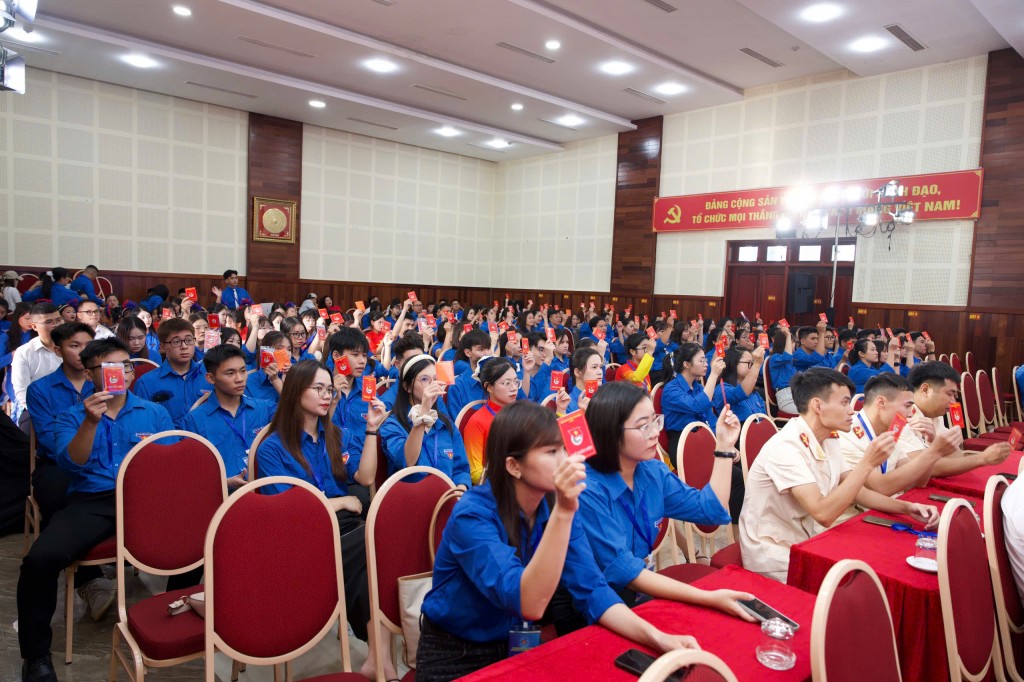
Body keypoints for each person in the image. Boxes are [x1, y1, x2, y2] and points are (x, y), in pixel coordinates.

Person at [417, 401, 718, 680]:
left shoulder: (554, 505)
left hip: (517, 640)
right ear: (513, 466)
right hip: (458, 652)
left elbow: (593, 590)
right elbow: (529, 603)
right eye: (551, 453)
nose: (566, 462)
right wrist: (564, 509)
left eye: (564, 449)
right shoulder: (472, 515)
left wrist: (658, 638)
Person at [19, 338, 174, 682]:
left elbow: (172, 463)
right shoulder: (69, 416)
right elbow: (71, 464)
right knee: (39, 560)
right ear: (91, 376)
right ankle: (36, 657)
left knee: (208, 533)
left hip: (148, 498)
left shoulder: (156, 413)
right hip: (96, 501)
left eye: (127, 365)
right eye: (111, 367)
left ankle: (177, 614)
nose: (123, 372)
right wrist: (90, 422)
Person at [254, 360, 391, 679]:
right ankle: (385, 657)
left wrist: (372, 429)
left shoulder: (335, 435)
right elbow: (288, 510)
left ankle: (378, 660)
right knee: (376, 541)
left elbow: (366, 475)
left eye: (329, 388)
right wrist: (340, 500)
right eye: (318, 388)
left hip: (345, 531)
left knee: (369, 555)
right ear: (294, 391)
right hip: (300, 535)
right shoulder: (272, 447)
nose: (327, 395)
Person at [739, 367, 939, 582]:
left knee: (882, 561)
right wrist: (867, 463)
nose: (852, 410)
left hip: (807, 537)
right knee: (863, 581)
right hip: (773, 551)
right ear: (818, 406)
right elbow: (823, 514)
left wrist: (908, 508)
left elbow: (858, 492)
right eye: (844, 402)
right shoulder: (786, 446)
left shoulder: (829, 438)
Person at [574, 382, 752, 621]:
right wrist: (708, 597)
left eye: (655, 421)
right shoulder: (587, 489)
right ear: (610, 433)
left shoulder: (651, 471)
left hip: (636, 591)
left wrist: (723, 447)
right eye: (643, 426)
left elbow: (711, 510)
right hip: (591, 608)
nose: (655, 433)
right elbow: (624, 570)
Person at [835, 373, 960, 521]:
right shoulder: (847, 434)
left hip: (885, 509)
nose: (910, 413)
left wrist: (931, 446)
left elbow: (918, 482)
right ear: (881, 403)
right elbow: (880, 488)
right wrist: (933, 453)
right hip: (855, 516)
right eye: (907, 406)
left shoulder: (893, 427)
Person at [180, 345, 272, 489]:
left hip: (263, 493)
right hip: (220, 498)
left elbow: (297, 415)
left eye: (243, 371)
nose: (239, 379)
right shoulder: (194, 420)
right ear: (210, 378)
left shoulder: (263, 408)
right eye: (230, 373)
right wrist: (223, 483)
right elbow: (189, 474)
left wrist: (279, 380)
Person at [379, 355, 471, 488]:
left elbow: (461, 469)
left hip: (448, 498)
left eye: (435, 379)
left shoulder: (446, 424)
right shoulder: (392, 424)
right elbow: (408, 461)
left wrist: (460, 491)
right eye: (424, 380)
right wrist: (422, 414)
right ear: (407, 387)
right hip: (411, 499)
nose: (432, 385)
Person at [904, 362, 1011, 475]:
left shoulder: (935, 416)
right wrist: (982, 458)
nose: (953, 402)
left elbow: (958, 456)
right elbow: (924, 468)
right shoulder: (903, 416)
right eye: (950, 394)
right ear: (925, 390)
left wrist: (937, 442)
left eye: (955, 396)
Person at [132, 317, 213, 427]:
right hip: (167, 440)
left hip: (208, 440)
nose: (184, 346)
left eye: (189, 340)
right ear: (162, 347)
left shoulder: (210, 376)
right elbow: (142, 424)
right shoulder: (147, 382)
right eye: (176, 342)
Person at [661, 343, 722, 467]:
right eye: (701, 360)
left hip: (703, 438)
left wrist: (723, 443)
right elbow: (696, 406)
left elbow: (711, 418)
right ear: (686, 364)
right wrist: (714, 375)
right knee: (733, 477)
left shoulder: (698, 387)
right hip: (683, 443)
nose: (706, 364)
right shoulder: (671, 389)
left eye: (706, 360)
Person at [462, 357, 520, 485]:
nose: (514, 388)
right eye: (507, 383)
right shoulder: (477, 422)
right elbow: (476, 474)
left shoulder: (521, 413)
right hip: (496, 488)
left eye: (516, 382)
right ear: (489, 387)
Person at [10, 303, 63, 428]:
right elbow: (21, 390)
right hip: (37, 407)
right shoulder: (24, 352)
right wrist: (41, 410)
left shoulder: (72, 347)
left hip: (69, 406)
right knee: (25, 436)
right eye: (48, 322)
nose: (55, 325)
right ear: (34, 326)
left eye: (58, 320)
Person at [714, 345, 767, 424]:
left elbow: (764, 417)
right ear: (733, 364)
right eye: (749, 363)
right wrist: (756, 364)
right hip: (737, 434)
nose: (752, 367)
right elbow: (741, 392)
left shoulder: (753, 392)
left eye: (752, 363)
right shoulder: (721, 389)